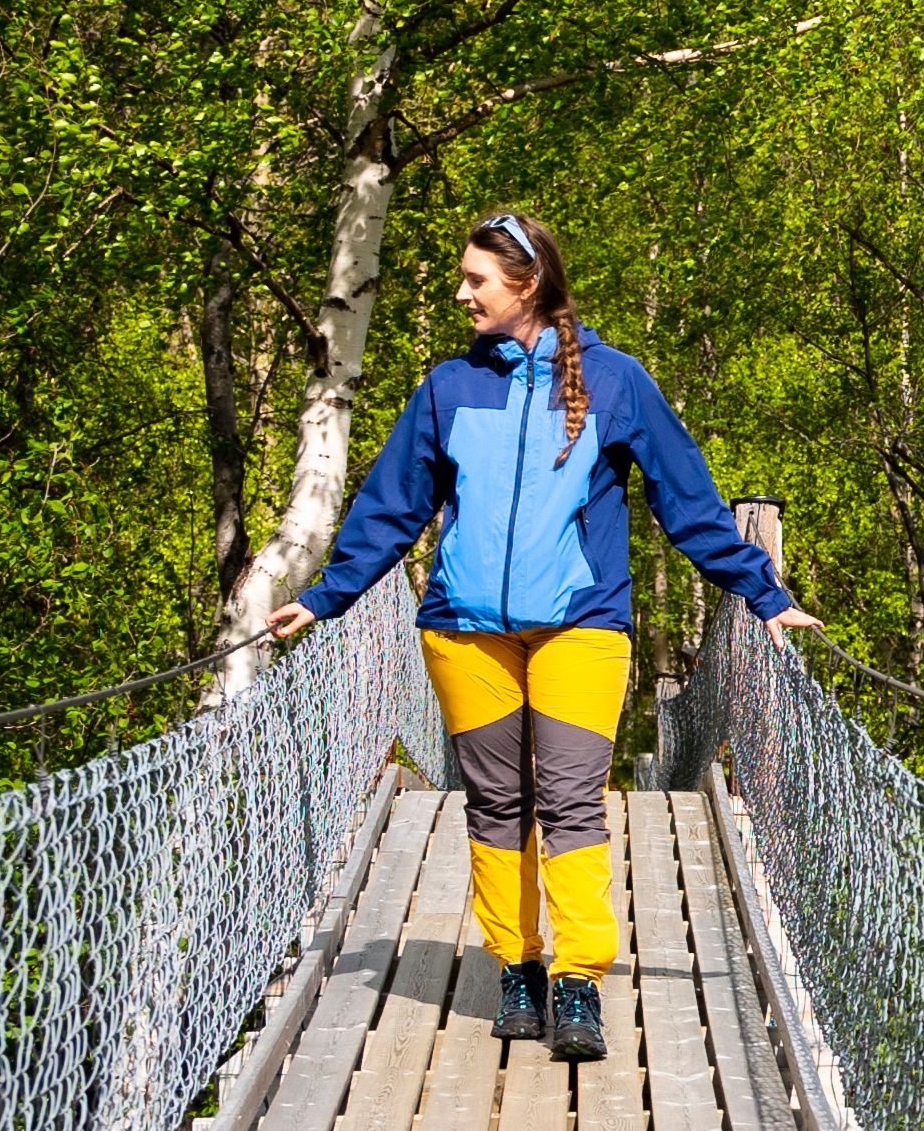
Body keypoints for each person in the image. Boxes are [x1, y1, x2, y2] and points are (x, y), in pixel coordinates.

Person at [265, 211, 812, 1063]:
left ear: (526, 284)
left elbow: (687, 502)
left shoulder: (617, 381)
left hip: (582, 629)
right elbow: (391, 507)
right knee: (495, 804)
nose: (461, 294)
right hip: (463, 634)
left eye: (475, 280)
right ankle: (517, 965)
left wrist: (764, 595)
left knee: (567, 802)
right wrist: (328, 597)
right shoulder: (449, 387)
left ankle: (580, 978)